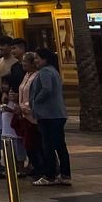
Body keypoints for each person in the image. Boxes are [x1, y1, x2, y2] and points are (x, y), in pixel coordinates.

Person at [30, 47, 71, 186]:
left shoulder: (45, 72)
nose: (35, 61)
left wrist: (36, 101)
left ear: (44, 59)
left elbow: (46, 89)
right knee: (60, 145)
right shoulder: (54, 71)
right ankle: (65, 174)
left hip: (48, 114)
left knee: (48, 146)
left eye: (37, 58)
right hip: (58, 114)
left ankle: (49, 175)